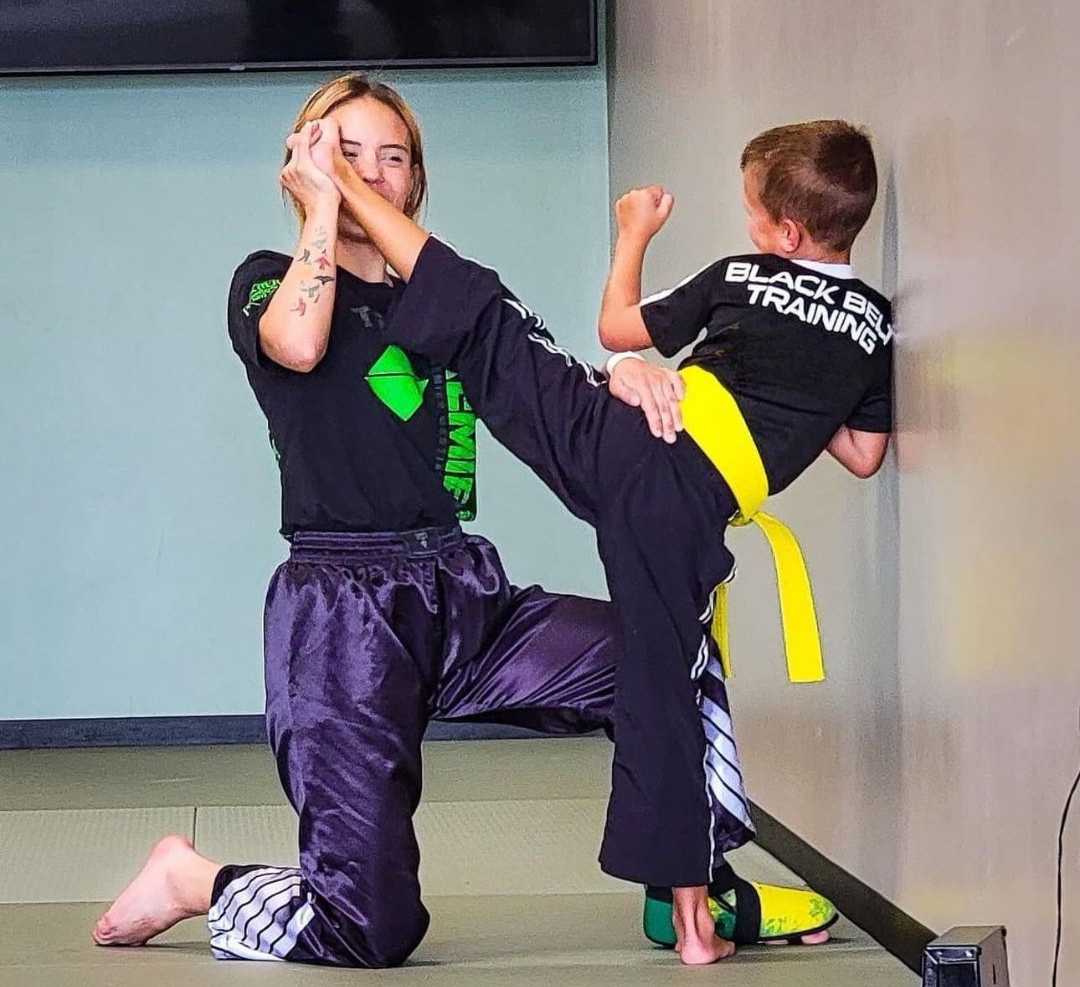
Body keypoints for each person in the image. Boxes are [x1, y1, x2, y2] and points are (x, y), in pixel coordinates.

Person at [90, 76, 836, 967]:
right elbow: (301, 343)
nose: (369, 171)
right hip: (341, 613)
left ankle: (693, 885)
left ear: (414, 182)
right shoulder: (265, 284)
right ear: (302, 162)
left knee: (669, 656)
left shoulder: (440, 302)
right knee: (371, 931)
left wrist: (628, 373)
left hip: (463, 592)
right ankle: (196, 881)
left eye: (390, 158)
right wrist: (323, 209)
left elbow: (540, 379)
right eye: (344, 150)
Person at [291, 115, 892, 964]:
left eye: (755, 213)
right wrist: (809, 398)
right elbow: (863, 455)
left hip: (628, 447)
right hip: (680, 496)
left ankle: (690, 914)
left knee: (487, 318)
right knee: (667, 683)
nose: (752, 228)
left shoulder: (742, 275)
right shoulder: (874, 322)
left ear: (784, 233)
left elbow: (617, 329)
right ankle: (691, 919)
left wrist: (633, 233)